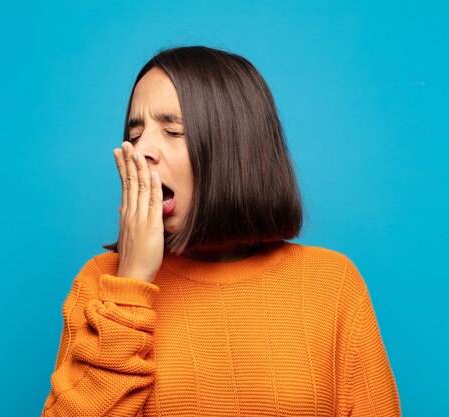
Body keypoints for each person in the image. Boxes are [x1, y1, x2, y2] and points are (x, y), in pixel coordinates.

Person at [41, 45, 401, 416]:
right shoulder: (101, 282)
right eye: (136, 133)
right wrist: (130, 286)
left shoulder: (332, 285)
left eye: (173, 131)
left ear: (234, 149)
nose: (141, 149)